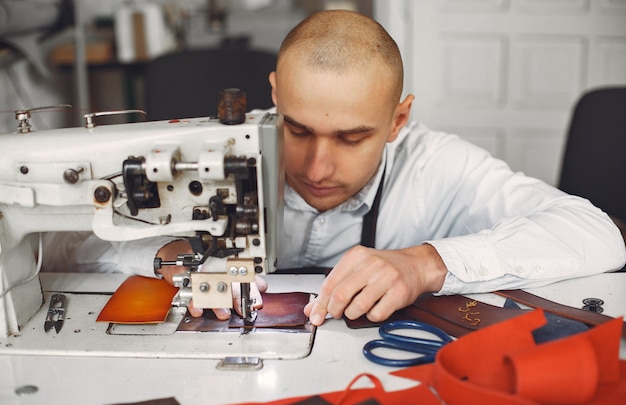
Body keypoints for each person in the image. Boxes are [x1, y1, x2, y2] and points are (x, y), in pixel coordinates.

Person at [43, 10, 626, 326]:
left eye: (353, 137)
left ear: (398, 121)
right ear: (273, 95)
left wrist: (426, 263)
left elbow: (597, 235)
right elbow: (59, 245)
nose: (318, 165)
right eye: (296, 130)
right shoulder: (217, 150)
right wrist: (166, 255)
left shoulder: (436, 165)